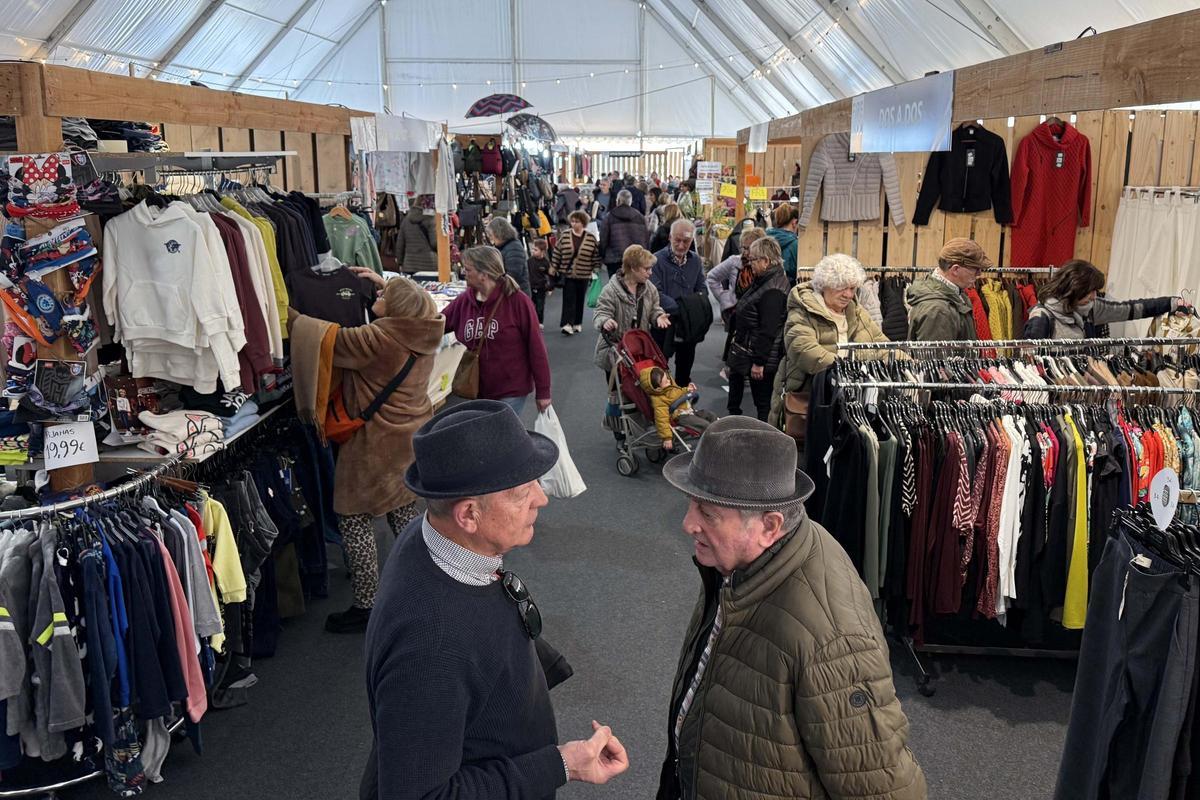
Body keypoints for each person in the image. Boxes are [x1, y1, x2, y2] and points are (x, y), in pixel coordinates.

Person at [362, 400, 629, 799]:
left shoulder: (429, 535)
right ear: (468, 515)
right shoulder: (431, 645)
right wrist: (561, 764)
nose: (542, 499)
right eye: (523, 492)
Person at [657, 415, 926, 800]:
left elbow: (882, 785)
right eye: (691, 505)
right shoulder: (739, 561)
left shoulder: (831, 639)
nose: (687, 524)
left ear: (770, 525)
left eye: (708, 514)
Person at [290, 273, 445, 633]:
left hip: (375, 445)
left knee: (353, 515)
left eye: (384, 294)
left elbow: (329, 341)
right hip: (409, 436)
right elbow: (419, 297)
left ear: (395, 308)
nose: (377, 293)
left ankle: (367, 603)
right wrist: (386, 280)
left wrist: (287, 313)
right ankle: (427, 585)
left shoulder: (379, 338)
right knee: (403, 513)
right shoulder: (426, 327)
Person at [773, 252, 890, 426]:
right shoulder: (803, 309)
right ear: (825, 284)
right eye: (842, 287)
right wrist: (847, 369)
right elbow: (803, 349)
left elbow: (882, 344)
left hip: (848, 400)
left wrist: (911, 363)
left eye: (852, 288)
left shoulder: (855, 312)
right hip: (808, 398)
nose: (848, 295)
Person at [443, 246, 551, 415]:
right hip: (478, 389)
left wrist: (543, 391)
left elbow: (536, 347)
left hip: (511, 389)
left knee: (499, 437)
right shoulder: (464, 301)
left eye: (468, 269)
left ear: (483, 275)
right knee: (486, 437)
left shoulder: (517, 301)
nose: (464, 273)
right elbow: (438, 324)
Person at [1024, 258, 1193, 339]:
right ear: (1075, 288)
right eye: (1090, 291)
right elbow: (1028, 362)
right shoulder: (1042, 316)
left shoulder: (1091, 309)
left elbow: (1133, 309)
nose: (1094, 296)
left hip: (1083, 390)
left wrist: (1172, 303)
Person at [725, 237, 790, 421]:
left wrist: (759, 362)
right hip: (756, 353)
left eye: (753, 259)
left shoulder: (773, 290)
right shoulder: (766, 280)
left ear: (765, 261)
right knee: (762, 403)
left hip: (763, 360)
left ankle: (764, 443)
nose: (749, 263)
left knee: (763, 405)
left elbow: (767, 330)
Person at [651, 219, 708, 386]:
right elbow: (656, 293)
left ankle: (682, 404)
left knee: (685, 368)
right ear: (670, 237)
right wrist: (685, 307)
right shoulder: (656, 260)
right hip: (664, 322)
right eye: (678, 240)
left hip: (687, 325)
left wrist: (694, 306)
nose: (682, 245)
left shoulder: (695, 261)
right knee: (659, 368)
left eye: (687, 241)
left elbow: (702, 288)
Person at [907, 237, 990, 341]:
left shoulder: (957, 294)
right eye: (976, 269)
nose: (979, 274)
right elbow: (937, 357)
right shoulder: (938, 310)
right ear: (955, 269)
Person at [549, 210, 602, 335]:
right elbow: (557, 252)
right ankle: (567, 324)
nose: (574, 224)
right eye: (572, 221)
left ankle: (578, 323)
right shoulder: (565, 235)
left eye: (577, 222)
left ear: (583, 223)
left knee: (579, 299)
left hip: (584, 274)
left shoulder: (590, 238)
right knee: (568, 299)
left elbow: (595, 256)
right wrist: (553, 267)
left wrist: (595, 270)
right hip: (567, 273)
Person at [641, 366, 716, 451]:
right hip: (680, 416)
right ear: (658, 388)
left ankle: (718, 435)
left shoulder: (668, 388)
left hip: (689, 411)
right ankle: (711, 444)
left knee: (710, 415)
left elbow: (678, 392)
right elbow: (661, 419)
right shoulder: (659, 401)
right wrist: (667, 438)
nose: (669, 381)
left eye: (668, 378)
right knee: (704, 425)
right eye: (666, 382)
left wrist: (687, 389)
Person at [707, 227, 767, 327]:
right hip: (736, 313)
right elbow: (712, 277)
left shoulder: (765, 264)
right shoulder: (735, 261)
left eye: (749, 248)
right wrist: (724, 298)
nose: (745, 252)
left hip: (759, 314)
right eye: (743, 247)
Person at [599, 189, 649, 279]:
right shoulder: (641, 218)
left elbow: (603, 238)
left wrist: (602, 255)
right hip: (635, 259)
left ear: (617, 201)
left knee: (615, 288)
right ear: (630, 202)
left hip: (614, 259)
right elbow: (646, 239)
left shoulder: (609, 217)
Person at [486, 217, 531, 296]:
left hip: (516, 294)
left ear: (498, 234)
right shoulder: (505, 246)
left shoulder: (514, 247)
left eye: (491, 235)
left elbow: (513, 275)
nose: (491, 239)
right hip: (512, 292)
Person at [395, 207, 437, 274]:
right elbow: (434, 243)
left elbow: (400, 244)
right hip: (429, 265)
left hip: (409, 265)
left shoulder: (406, 220)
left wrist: (400, 262)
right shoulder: (431, 219)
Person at [766, 202, 799, 283]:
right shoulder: (795, 244)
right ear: (794, 222)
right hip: (787, 289)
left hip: (766, 287)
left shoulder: (765, 237)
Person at [528, 237, 552, 328]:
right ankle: (532, 321)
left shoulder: (546, 263)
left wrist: (550, 287)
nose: (533, 251)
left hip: (541, 287)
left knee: (540, 306)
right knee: (530, 305)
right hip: (531, 286)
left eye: (535, 250)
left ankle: (539, 322)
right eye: (533, 249)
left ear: (542, 251)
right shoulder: (530, 261)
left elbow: (550, 275)